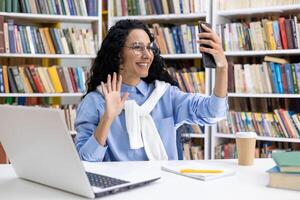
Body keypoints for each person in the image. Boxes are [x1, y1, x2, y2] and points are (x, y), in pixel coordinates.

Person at [75, 19, 228, 162]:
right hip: (119, 189)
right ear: (118, 56)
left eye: (148, 48)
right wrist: (107, 118)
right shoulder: (96, 101)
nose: (147, 55)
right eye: (137, 47)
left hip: (165, 185)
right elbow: (85, 160)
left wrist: (222, 68)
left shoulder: (165, 95)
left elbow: (214, 113)